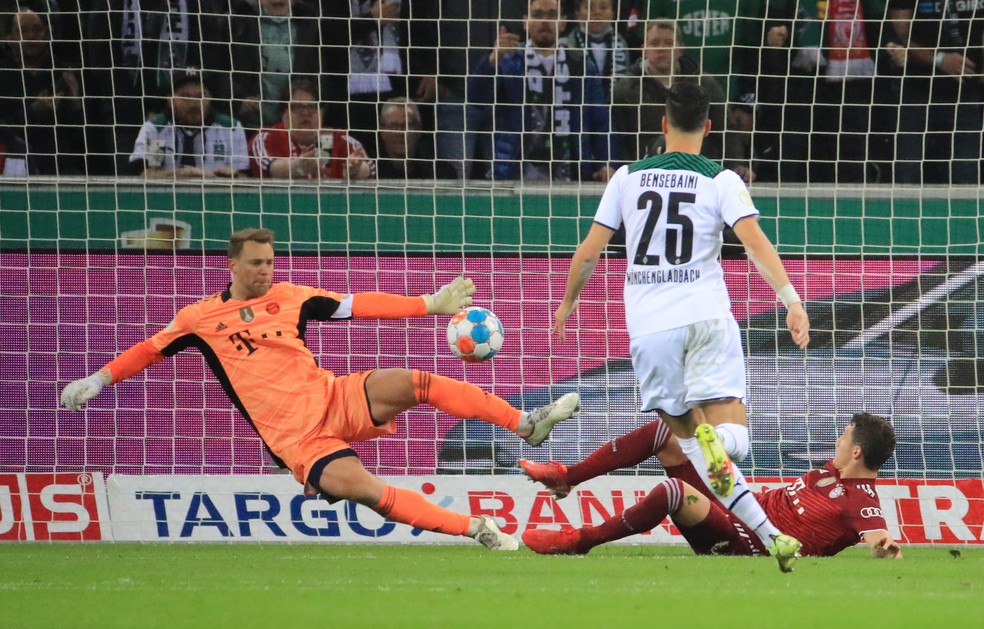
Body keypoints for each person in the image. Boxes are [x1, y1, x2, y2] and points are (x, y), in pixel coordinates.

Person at [60, 228, 581, 551]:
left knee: (414, 381)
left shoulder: (291, 296)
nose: (267, 270)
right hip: (299, 441)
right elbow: (150, 350)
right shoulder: (198, 318)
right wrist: (99, 378)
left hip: (333, 395)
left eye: (270, 261)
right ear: (232, 265)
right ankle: (475, 529)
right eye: (257, 263)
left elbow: (358, 305)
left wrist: (430, 303)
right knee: (370, 492)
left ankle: (526, 424)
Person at [553, 81, 811, 563]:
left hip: (651, 331)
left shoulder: (627, 177)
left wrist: (568, 304)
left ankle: (770, 534)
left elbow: (589, 251)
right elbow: (754, 243)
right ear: (709, 128)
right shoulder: (721, 179)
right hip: (707, 317)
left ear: (663, 124)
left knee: (692, 443)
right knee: (731, 439)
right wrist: (791, 301)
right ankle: (764, 519)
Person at [520, 413, 903, 569]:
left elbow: (879, 538)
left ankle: (579, 541)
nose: (837, 439)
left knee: (674, 492)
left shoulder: (860, 499)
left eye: (844, 437)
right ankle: (568, 477)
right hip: (737, 507)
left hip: (748, 544)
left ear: (856, 451)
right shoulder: (828, 472)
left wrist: (885, 548)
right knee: (668, 433)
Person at [468, 0, 615, 182]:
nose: (545, 21)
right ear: (525, 22)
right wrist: (492, 61)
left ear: (563, 23)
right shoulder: (507, 62)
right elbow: (476, 100)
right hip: (514, 172)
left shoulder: (583, 66)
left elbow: (601, 121)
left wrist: (606, 163)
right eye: (537, 15)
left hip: (569, 172)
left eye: (552, 15)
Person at [610, 20, 730, 172]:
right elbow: (619, 139)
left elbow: (727, 131)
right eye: (654, 43)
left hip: (700, 172)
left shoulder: (704, 84)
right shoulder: (626, 89)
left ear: (680, 49)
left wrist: (736, 164)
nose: (661, 49)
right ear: (644, 49)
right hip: (643, 175)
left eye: (668, 43)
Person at [886, 0, 982, 185]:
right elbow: (900, 38)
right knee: (907, 177)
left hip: (966, 94)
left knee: (967, 179)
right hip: (917, 93)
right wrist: (940, 60)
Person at [0, 6, 86, 175]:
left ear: (47, 32)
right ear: (9, 39)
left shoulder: (64, 74)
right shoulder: (3, 77)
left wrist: (75, 103)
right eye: (23, 31)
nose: (31, 36)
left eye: (37, 30)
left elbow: (86, 137)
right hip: (16, 170)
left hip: (64, 171)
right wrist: (33, 111)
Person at [129, 68, 250, 179]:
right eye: (185, 96)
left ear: (211, 99)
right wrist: (188, 174)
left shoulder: (231, 128)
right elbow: (147, 174)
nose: (193, 102)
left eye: (201, 96)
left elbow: (245, 177)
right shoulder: (157, 129)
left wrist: (231, 176)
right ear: (170, 100)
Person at [248, 77, 374, 180]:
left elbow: (369, 168)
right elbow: (271, 168)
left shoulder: (340, 139)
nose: (305, 112)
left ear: (322, 112)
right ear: (283, 113)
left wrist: (355, 171)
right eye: (297, 107)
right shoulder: (267, 138)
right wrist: (298, 167)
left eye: (312, 107)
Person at [229, 0, 324, 133]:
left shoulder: (310, 27)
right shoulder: (237, 24)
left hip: (293, 127)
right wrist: (238, 98)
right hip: (249, 125)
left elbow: (319, 74)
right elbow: (220, 69)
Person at [562, 0, 630, 101]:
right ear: (577, 15)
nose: (597, 12)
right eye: (589, 8)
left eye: (603, 8)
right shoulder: (565, 45)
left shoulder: (622, 44)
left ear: (613, 14)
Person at [376, 97, 457, 179]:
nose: (400, 132)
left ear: (418, 129)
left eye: (406, 126)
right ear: (382, 131)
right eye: (393, 126)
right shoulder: (373, 171)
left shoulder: (440, 172)